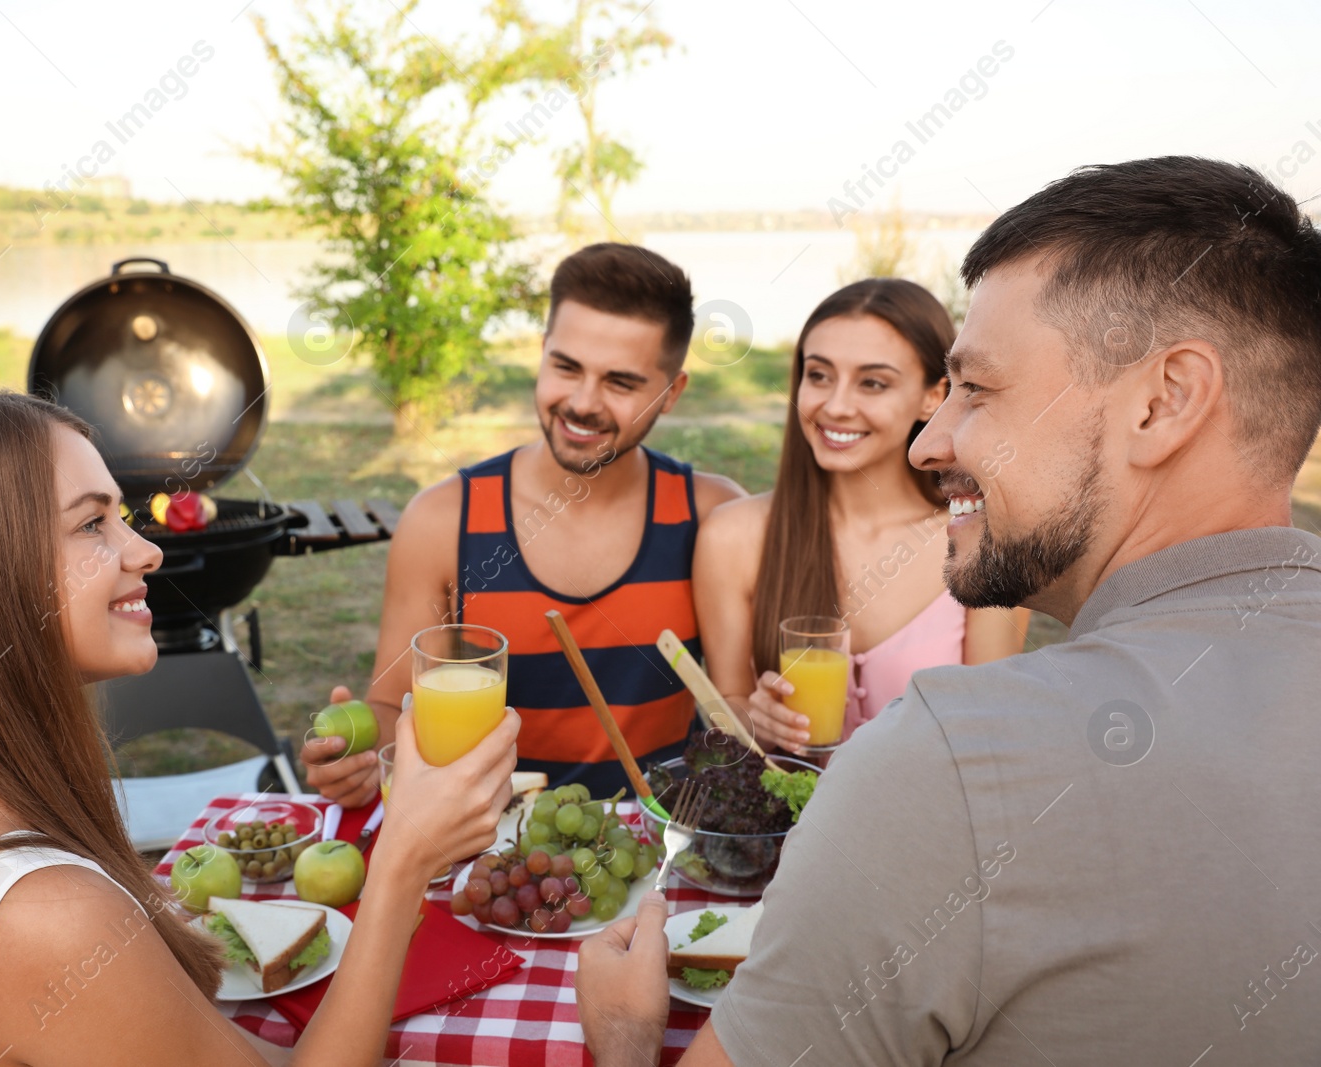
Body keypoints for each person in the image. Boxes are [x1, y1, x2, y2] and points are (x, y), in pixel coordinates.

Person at [575, 156, 1321, 1065]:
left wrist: (621, 1040)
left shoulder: (952, 761)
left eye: (977, 389)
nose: (933, 441)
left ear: (1163, 402)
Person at [0, 392, 519, 1067]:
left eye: (124, 516)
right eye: (91, 526)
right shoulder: (48, 917)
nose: (146, 550)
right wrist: (404, 860)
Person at [303, 242, 746, 806]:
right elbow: (392, 705)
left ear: (670, 393)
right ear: (542, 354)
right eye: (566, 367)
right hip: (492, 847)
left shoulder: (711, 516)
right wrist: (358, 760)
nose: (583, 403)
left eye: (621, 382)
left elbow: (738, 708)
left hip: (659, 847)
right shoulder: (442, 520)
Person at [694, 279, 1028, 755]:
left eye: (873, 382)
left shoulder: (987, 539)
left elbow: (989, 734)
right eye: (819, 375)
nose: (835, 406)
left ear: (933, 396)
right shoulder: (732, 537)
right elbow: (724, 708)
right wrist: (753, 720)